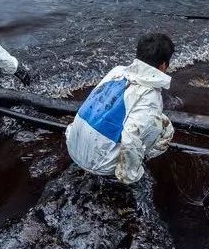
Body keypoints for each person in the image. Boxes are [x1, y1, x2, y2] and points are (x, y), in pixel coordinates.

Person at [65, 33, 175, 184]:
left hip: (72, 146)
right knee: (165, 127)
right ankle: (131, 165)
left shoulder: (117, 71)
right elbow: (130, 140)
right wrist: (129, 176)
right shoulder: (150, 98)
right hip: (99, 166)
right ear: (163, 65)